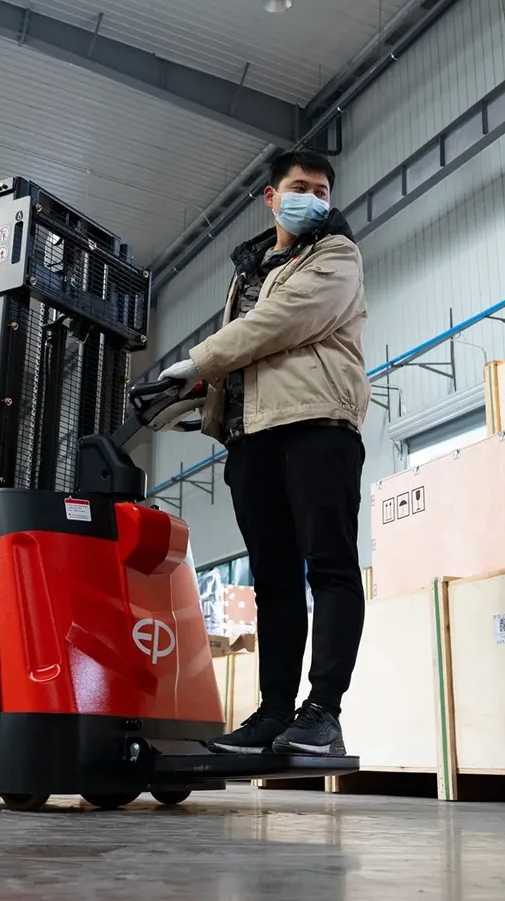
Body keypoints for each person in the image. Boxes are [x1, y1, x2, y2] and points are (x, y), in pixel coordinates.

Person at [158, 149, 369, 757]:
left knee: (329, 566)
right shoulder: (249, 272)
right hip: (252, 437)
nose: (314, 200)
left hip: (317, 426)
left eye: (322, 191)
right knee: (273, 582)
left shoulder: (336, 254)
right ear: (271, 198)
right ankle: (274, 712)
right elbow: (249, 359)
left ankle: (323, 713)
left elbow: (280, 323)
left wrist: (197, 362)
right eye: (301, 188)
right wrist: (201, 402)